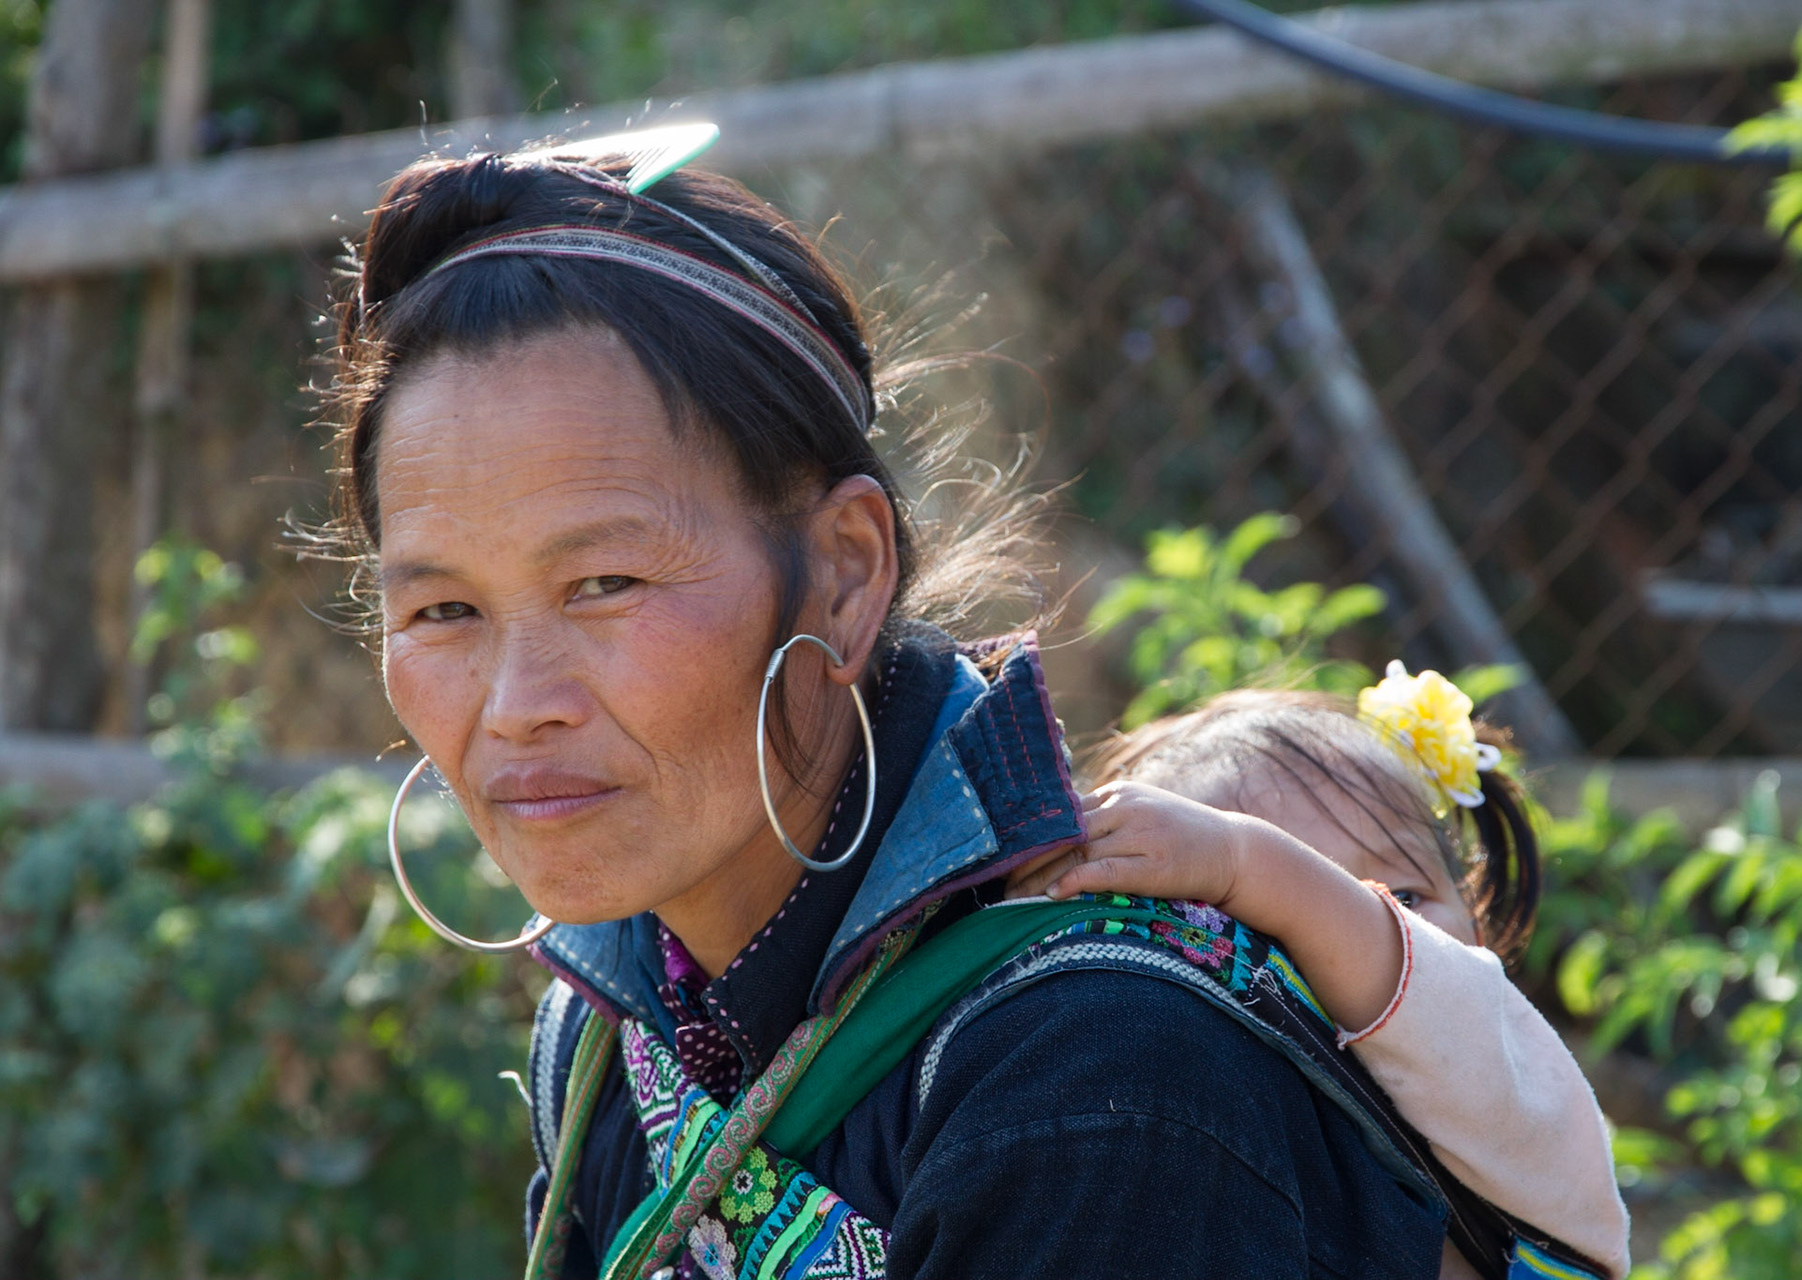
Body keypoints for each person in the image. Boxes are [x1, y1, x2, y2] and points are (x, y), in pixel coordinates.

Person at [339, 121, 1537, 1280]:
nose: (513, 705)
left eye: (606, 582)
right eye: (443, 611)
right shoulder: (610, 1026)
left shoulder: (1093, 1070)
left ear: (849, 573)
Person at [1008, 669, 1633, 1278]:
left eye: (1403, 899)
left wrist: (1242, 865)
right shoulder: (1198, 1127)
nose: (1331, 924)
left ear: (1476, 916)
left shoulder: (1516, 1078)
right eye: (1264, 920)